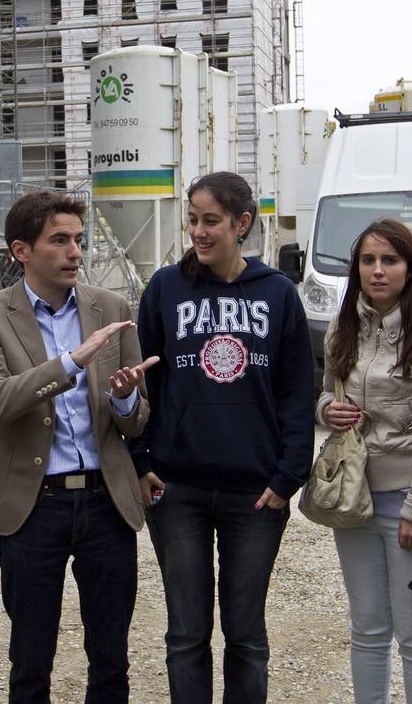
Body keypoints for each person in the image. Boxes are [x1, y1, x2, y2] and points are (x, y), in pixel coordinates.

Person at [131, 171, 315, 704]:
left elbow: (297, 393)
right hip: (176, 491)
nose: (199, 232)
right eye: (193, 220)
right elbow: (143, 382)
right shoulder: (166, 288)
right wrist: (140, 459)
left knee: (246, 636)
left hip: (255, 494)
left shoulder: (279, 294)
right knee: (186, 635)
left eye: (211, 221)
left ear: (242, 223)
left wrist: (288, 477)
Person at [0, 190, 156, 703]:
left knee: (111, 657)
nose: (75, 251)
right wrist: (71, 363)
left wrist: (122, 400)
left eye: (79, 239)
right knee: (30, 659)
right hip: (33, 507)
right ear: (21, 250)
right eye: (59, 240)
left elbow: (138, 420)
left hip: (106, 503)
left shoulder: (112, 308)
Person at [316, 218, 412, 704]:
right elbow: (325, 393)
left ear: (410, 267)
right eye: (367, 260)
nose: (377, 271)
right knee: (367, 627)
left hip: (406, 499)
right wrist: (326, 410)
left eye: (390, 260)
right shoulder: (343, 325)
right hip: (352, 492)